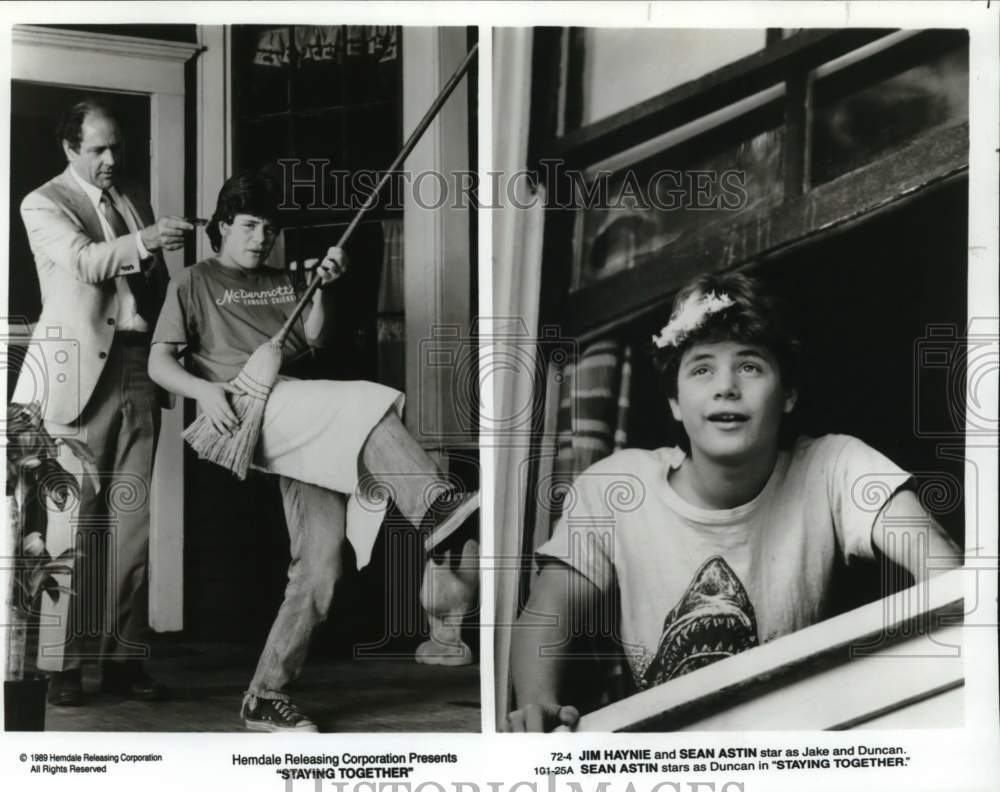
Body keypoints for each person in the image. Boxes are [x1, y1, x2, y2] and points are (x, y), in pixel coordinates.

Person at [505, 271, 963, 732]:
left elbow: (943, 566)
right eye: (701, 368)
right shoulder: (615, 487)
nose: (726, 386)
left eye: (750, 366)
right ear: (675, 402)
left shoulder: (833, 467)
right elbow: (551, 607)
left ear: (788, 395)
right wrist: (537, 701)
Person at [148, 173, 479, 732]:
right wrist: (205, 391)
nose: (259, 238)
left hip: (304, 413)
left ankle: (264, 695)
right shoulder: (193, 282)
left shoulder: (282, 281)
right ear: (223, 225)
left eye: (268, 229)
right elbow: (161, 361)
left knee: (321, 568)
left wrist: (321, 287)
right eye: (249, 226)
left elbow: (315, 340)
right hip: (252, 408)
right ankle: (436, 508)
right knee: (367, 401)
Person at [11, 98, 194, 707]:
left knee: (131, 529)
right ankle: (60, 666)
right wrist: (145, 237)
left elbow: (158, 284)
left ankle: (120, 661)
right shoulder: (42, 203)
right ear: (70, 150)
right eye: (97, 149)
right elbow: (87, 262)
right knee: (73, 528)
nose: (112, 159)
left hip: (141, 369)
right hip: (76, 380)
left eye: (116, 146)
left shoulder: (131, 194)